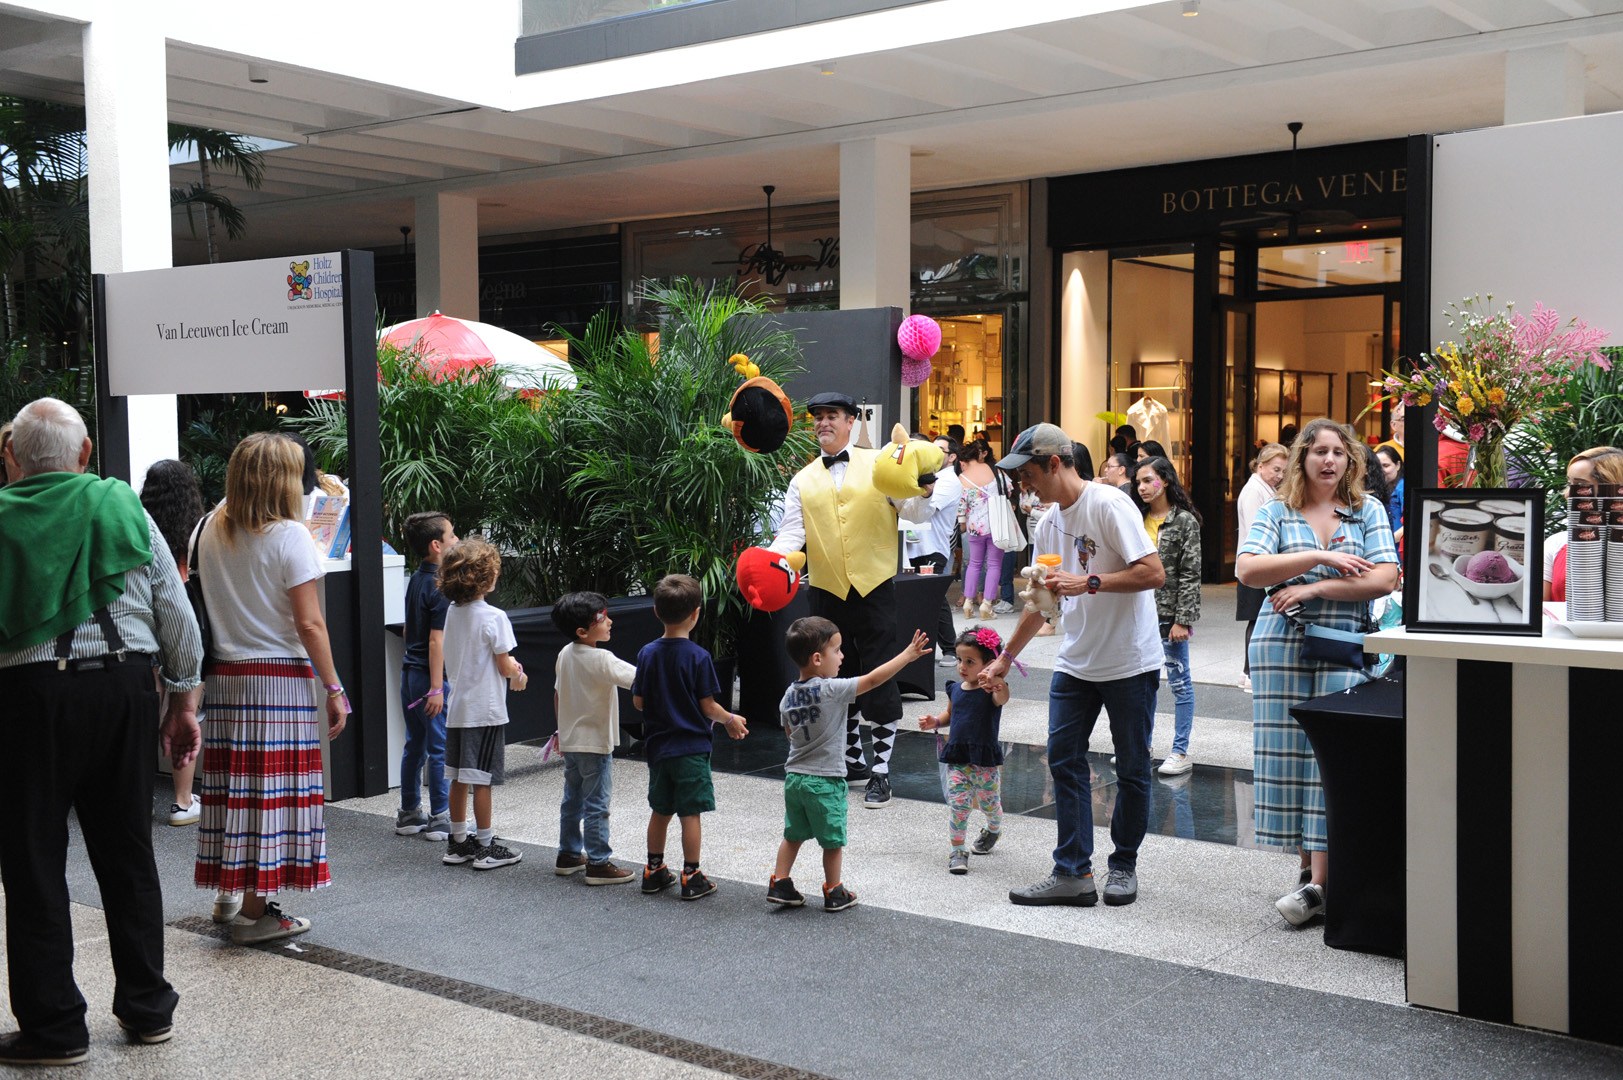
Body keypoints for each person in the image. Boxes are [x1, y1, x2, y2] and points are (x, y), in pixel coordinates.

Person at [0, 398, 202, 1066]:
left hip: (28, 700)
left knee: (33, 863)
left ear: (11, 458)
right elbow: (177, 616)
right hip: (123, 690)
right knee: (127, 854)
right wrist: (181, 704)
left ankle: (56, 1028)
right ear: (84, 454)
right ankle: (148, 1011)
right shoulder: (124, 505)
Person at [980, 423, 1166, 909]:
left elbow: (1153, 572)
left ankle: (1122, 864)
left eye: (1027, 474)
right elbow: (1040, 602)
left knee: (1131, 768)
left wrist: (1089, 583)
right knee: (1063, 758)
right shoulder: (1046, 524)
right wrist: (1005, 658)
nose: (1023, 484)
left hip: (1129, 661)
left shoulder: (1109, 505)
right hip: (1076, 662)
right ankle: (1073, 872)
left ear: (1055, 464)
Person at [1236, 418, 1398, 927]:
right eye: (1318, 451)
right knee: (1285, 754)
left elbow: (1384, 577)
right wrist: (1322, 556)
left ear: (1350, 461)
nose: (1329, 460)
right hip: (1279, 642)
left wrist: (1314, 585)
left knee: (1330, 757)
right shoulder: (1276, 510)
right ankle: (1309, 871)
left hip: (1341, 643)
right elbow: (1247, 569)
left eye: (1338, 452)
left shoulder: (1366, 509)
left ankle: (1320, 884)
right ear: (1302, 458)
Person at [193, 432, 349, 945]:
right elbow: (310, 625)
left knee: (235, 790)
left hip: (226, 677)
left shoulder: (210, 527)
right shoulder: (289, 535)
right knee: (270, 796)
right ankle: (253, 915)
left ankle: (229, 895)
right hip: (277, 680)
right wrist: (334, 688)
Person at [767, 391, 934, 808]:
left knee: (879, 671)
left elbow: (914, 512)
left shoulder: (880, 463)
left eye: (832, 416)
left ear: (851, 421)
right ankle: (854, 760)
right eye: (818, 417)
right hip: (826, 588)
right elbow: (791, 534)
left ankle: (881, 771)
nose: (824, 423)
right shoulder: (801, 479)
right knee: (836, 674)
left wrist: (924, 490)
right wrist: (769, 564)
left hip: (874, 584)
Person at [770, 618, 931, 911]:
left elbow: (790, 734)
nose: (842, 656)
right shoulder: (831, 689)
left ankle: (780, 882)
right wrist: (906, 656)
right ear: (818, 659)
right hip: (826, 781)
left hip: (794, 778)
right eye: (837, 650)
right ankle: (834, 890)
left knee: (792, 834)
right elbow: (872, 680)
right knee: (832, 840)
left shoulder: (788, 695)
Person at [633, 573, 748, 900]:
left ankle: (653, 870)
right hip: (691, 750)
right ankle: (691, 874)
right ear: (697, 613)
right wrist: (730, 719)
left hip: (658, 748)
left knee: (660, 810)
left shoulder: (647, 653)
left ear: (656, 611)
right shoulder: (698, 657)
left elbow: (638, 701)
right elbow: (708, 705)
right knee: (689, 814)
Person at [436, 537, 524, 871]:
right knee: (482, 779)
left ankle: (458, 841)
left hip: (458, 708)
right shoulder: (495, 616)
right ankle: (486, 844)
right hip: (485, 710)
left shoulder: (452, 612)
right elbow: (505, 666)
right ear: (488, 578)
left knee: (459, 777)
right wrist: (519, 673)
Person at [138, 458, 207, 827]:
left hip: (147, 625)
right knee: (186, 711)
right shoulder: (198, 528)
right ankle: (182, 801)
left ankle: (139, 796)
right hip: (186, 619)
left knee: (148, 715)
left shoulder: (139, 525)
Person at [551, 590, 637, 884]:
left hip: (572, 742)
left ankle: (569, 853)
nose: (610, 621)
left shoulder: (564, 653)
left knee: (572, 800)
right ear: (583, 630)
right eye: (603, 618)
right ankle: (598, 862)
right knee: (597, 803)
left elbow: (558, 694)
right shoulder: (603, 658)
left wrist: (561, 731)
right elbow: (640, 679)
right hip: (595, 744)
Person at [918, 627, 1011, 875]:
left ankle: (993, 829)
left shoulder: (990, 690)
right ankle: (958, 850)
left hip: (985, 760)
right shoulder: (955, 689)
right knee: (959, 806)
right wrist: (935, 721)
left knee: (991, 804)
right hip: (958, 759)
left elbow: (1003, 698)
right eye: (960, 660)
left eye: (970, 661)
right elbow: (951, 714)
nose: (962, 666)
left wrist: (998, 682)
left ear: (989, 664)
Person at [1131, 456, 1202, 777]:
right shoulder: (1135, 518)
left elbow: (1190, 574)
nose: (1142, 487)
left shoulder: (1184, 522)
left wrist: (1182, 619)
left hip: (1168, 616)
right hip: (1137, 614)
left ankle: (1180, 750)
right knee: (1142, 685)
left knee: (1180, 684)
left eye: (1148, 480)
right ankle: (1141, 747)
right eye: (1138, 482)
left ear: (1166, 481)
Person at [395, 511, 458, 842]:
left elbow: (409, 629)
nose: (456, 541)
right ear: (437, 545)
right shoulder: (441, 586)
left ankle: (408, 812)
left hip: (409, 674)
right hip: (429, 678)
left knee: (415, 744)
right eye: (452, 536)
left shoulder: (416, 579)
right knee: (439, 747)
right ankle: (439, 817)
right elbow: (438, 640)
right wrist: (437, 687)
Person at [903, 434, 962, 666]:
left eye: (940, 451)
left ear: (952, 457)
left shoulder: (948, 480)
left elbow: (927, 506)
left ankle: (950, 649)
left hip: (932, 548)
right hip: (912, 546)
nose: (934, 455)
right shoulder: (929, 475)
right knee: (921, 599)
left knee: (934, 599)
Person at [1234, 443, 1288, 694]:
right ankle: (1249, 672)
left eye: (1282, 471)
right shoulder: (1255, 490)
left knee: (1257, 619)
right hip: (1255, 564)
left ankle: (1249, 671)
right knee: (1256, 619)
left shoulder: (1263, 488)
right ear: (1261, 465)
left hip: (1258, 564)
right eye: (1275, 469)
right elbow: (1259, 531)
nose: (1279, 475)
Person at [1545, 446, 1623, 601]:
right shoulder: (1556, 543)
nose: (1567, 494)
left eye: (1580, 486)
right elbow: (1540, 611)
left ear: (1611, 489)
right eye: (1569, 484)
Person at [1375, 444, 1404, 546]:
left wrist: (1387, 543)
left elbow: (1411, 523)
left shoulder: (1402, 488)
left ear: (1398, 465)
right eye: (1378, 466)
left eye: (1386, 465)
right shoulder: (1380, 487)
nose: (1381, 470)